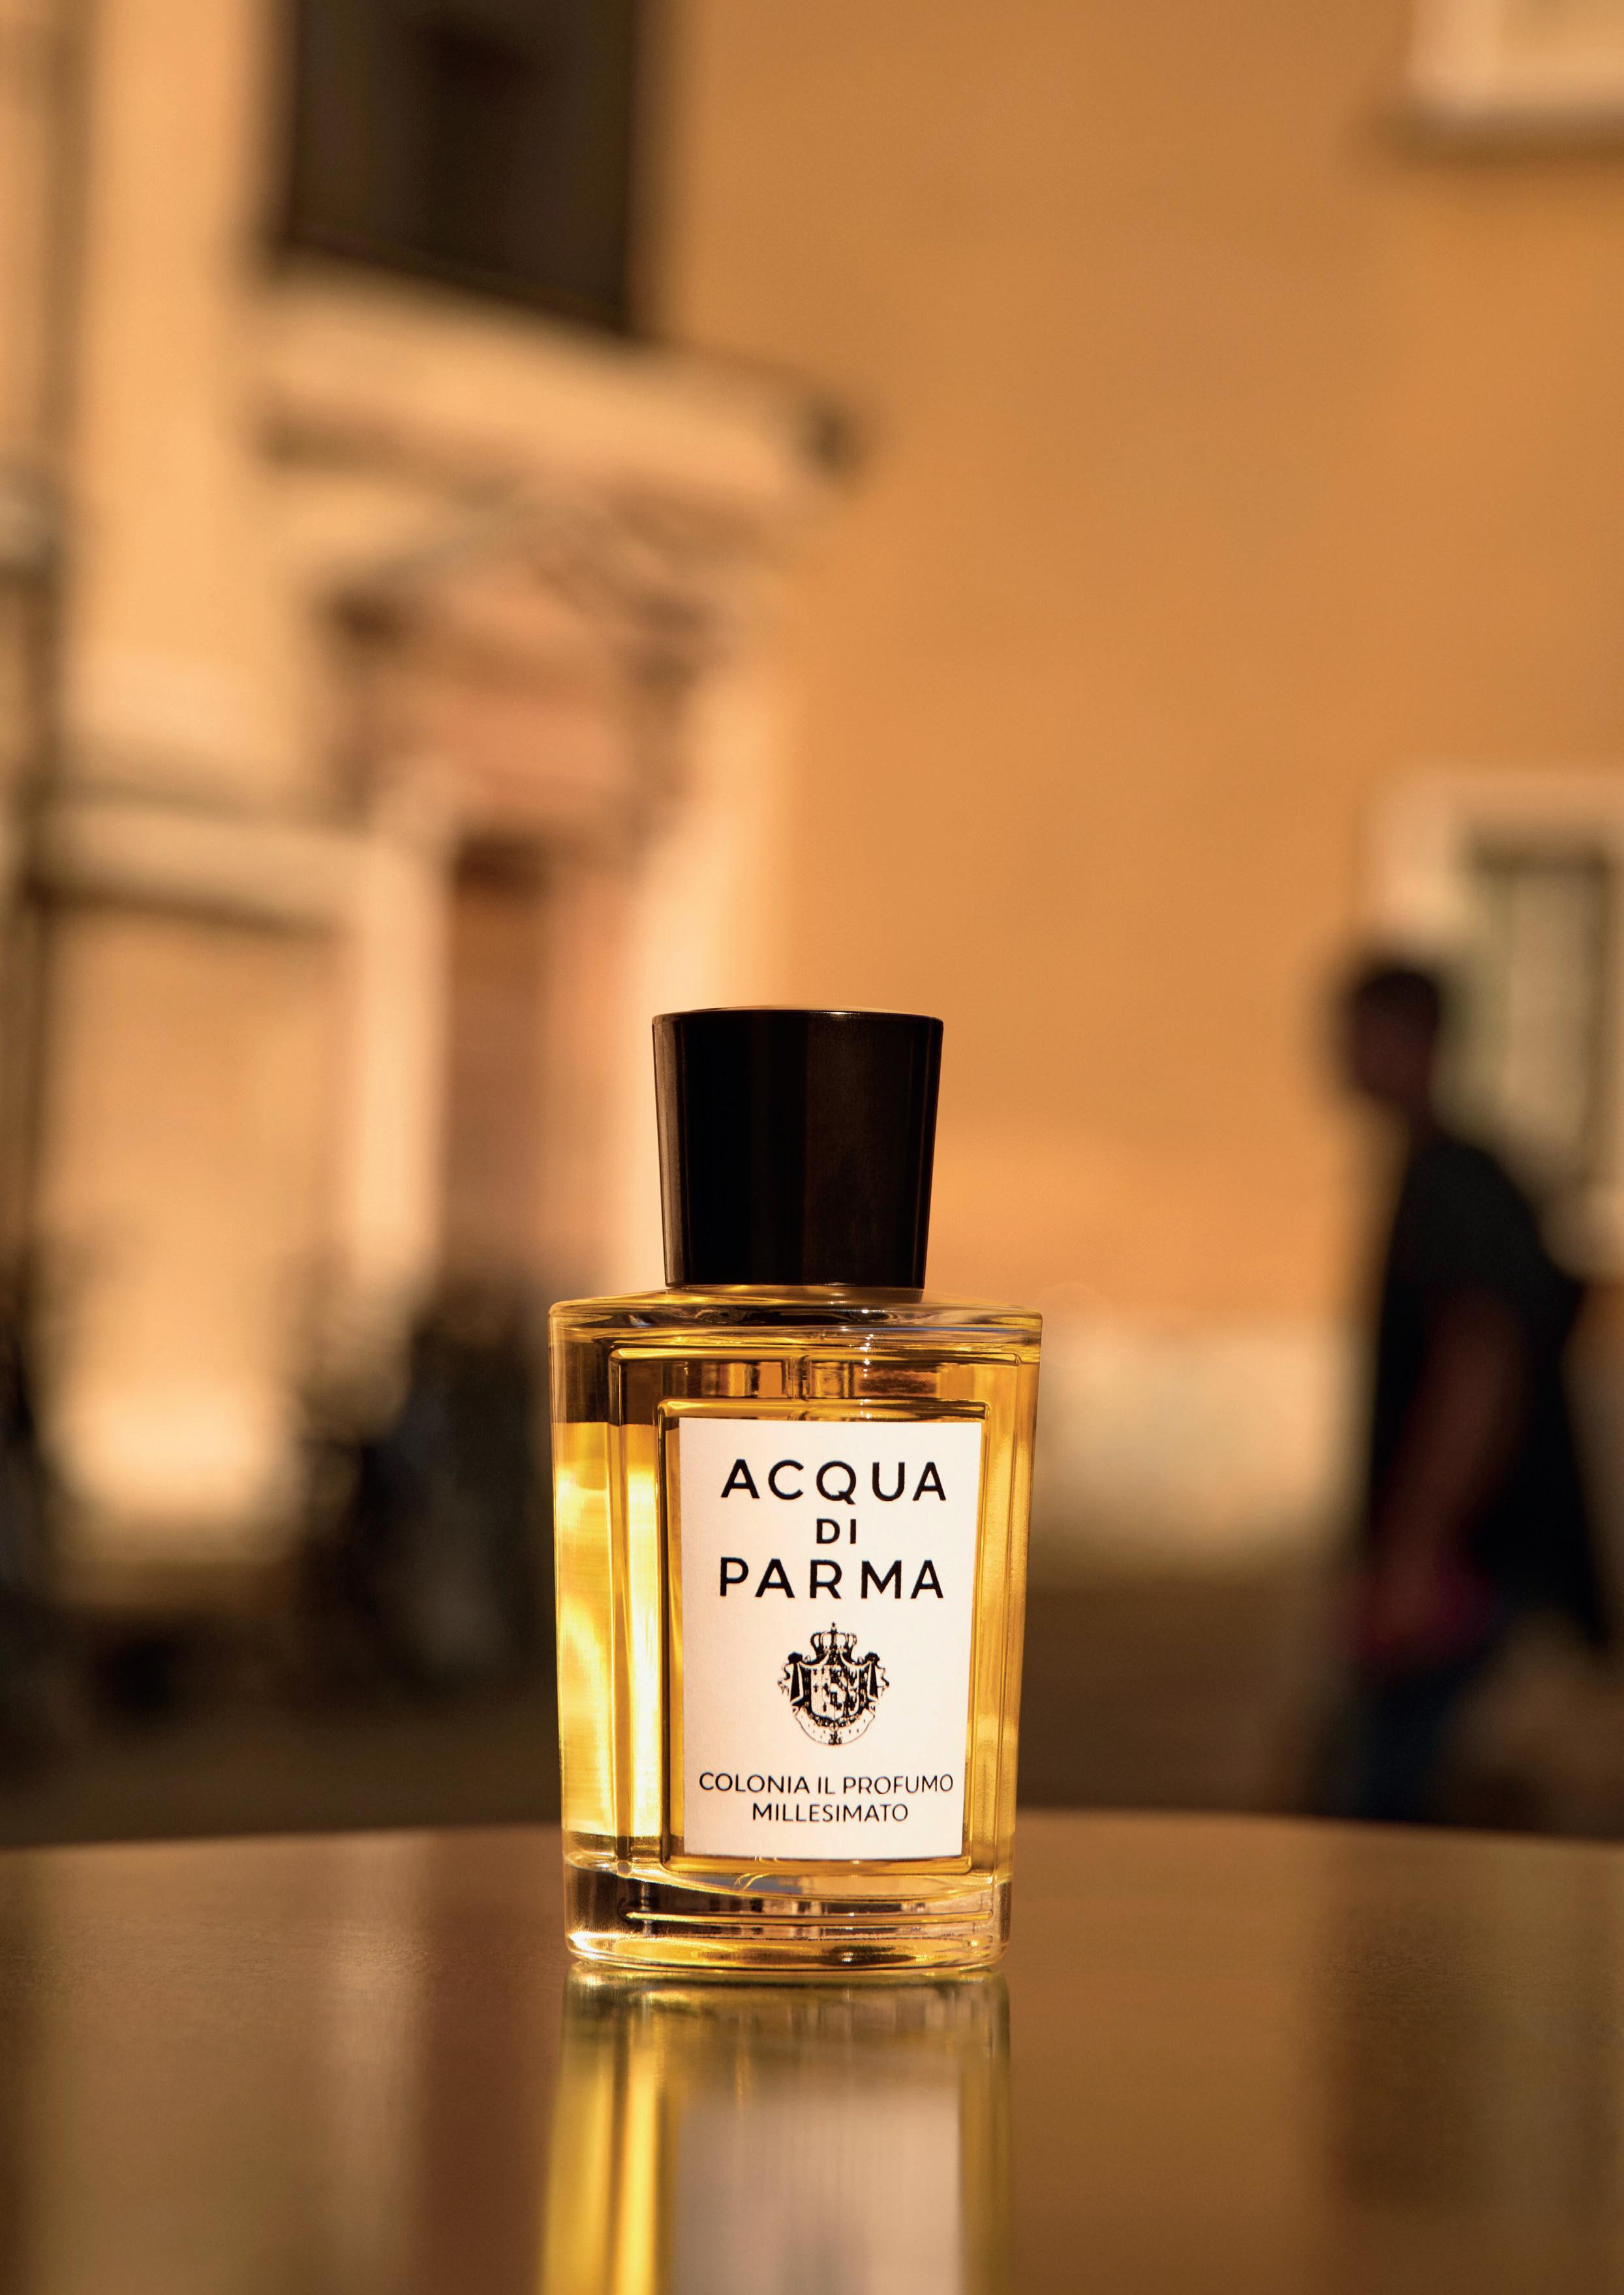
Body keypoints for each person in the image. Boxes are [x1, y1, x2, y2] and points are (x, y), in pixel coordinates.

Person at [1323, 957, 1608, 1823]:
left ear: (1407, 1039)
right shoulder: (1457, 1176)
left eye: (1355, 1033)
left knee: (1395, 1817)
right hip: (1484, 1568)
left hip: (1480, 1574)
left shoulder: (1453, 1185)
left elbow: (1478, 1367)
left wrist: (1415, 1552)